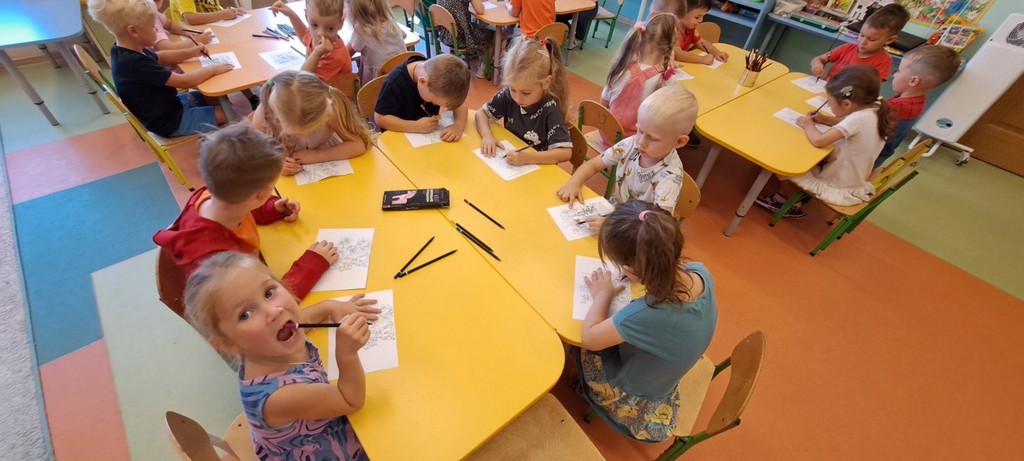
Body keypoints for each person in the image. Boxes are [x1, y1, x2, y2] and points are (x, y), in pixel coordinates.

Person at [184, 251, 380, 460]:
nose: (274, 311)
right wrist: (346, 354)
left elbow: (302, 318)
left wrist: (330, 306)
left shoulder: (265, 343)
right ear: (227, 343)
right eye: (245, 314)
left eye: (269, 293)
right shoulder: (282, 396)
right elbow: (350, 400)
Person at [153, 123, 338, 316]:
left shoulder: (215, 195)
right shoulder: (217, 262)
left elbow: (244, 206)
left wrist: (271, 208)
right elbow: (266, 303)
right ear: (260, 195)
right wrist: (312, 264)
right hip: (232, 309)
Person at [575, 200, 717, 442]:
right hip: (663, 375)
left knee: (577, 346)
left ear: (631, 270)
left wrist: (602, 295)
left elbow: (589, 338)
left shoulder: (646, 314)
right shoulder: (700, 271)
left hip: (633, 398)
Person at [756, 65, 895, 217]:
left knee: (782, 164)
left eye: (830, 101)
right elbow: (847, 124)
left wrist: (808, 125)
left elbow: (819, 141)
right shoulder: (874, 108)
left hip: (835, 183)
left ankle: (792, 205)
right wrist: (825, 119)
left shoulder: (859, 118)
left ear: (847, 104)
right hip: (852, 178)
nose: (828, 105)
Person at [557, 85, 697, 230]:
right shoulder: (631, 143)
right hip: (615, 213)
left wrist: (611, 227)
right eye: (640, 131)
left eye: (653, 138)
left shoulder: (669, 178)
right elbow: (592, 165)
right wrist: (573, 183)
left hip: (635, 230)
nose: (641, 142)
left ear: (679, 142)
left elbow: (656, 227)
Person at [87, 0, 231, 138]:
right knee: (230, 113)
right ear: (134, 31)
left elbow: (160, 57)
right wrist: (212, 69)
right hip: (170, 121)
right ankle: (221, 141)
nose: (157, 30)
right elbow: (183, 82)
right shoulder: (135, 63)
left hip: (169, 106)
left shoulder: (125, 50)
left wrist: (190, 52)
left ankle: (217, 130)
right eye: (153, 27)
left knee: (214, 97)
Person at [252, 71, 372, 176]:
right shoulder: (265, 115)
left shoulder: (329, 109)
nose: (301, 136)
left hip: (329, 158)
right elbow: (255, 156)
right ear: (279, 118)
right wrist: (276, 164)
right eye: (295, 132)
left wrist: (317, 156)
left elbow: (358, 145)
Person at [475, 37, 572, 165]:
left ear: (546, 82)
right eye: (513, 89)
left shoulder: (550, 108)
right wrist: (487, 136)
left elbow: (565, 153)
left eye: (526, 93)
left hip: (537, 167)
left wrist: (527, 158)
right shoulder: (508, 95)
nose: (517, 98)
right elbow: (481, 114)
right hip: (513, 160)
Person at [874, 45, 960, 168]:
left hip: (867, 157)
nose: (895, 75)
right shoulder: (919, 101)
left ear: (913, 81)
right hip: (879, 156)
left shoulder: (896, 106)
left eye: (898, 71)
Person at [602, 13, 682, 139]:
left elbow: (603, 104)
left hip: (606, 136)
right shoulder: (667, 79)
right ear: (671, 48)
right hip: (635, 144)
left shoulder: (621, 68)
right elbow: (664, 120)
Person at [374, 54, 471, 139]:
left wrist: (458, 126)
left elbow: (459, 104)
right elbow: (380, 119)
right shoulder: (394, 83)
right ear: (423, 82)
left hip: (423, 139)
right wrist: (415, 126)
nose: (434, 104)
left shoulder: (436, 75)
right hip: (398, 138)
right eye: (433, 102)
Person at [810, 3, 910, 82]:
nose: (862, 42)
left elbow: (871, 89)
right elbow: (819, 59)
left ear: (889, 40)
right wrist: (817, 64)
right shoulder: (848, 48)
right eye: (861, 35)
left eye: (871, 39)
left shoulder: (884, 61)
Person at [272, 0, 353, 82]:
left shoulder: (335, 57)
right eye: (314, 25)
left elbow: (303, 80)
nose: (321, 33)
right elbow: (304, 35)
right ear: (306, 16)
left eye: (330, 28)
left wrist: (317, 54)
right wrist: (290, 14)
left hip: (324, 88)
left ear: (341, 23)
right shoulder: (315, 37)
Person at [346, 0, 408, 84]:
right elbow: (404, 36)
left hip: (378, 82)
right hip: (402, 75)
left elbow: (347, 54)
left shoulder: (361, 30)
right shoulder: (391, 22)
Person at [438, 0, 504, 78]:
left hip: (445, 34)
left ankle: (481, 57)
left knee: (478, 25)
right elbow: (480, 10)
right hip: (462, 38)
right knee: (493, 35)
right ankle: (484, 68)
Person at [149, 0, 214, 66]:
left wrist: (188, 31)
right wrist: (197, 40)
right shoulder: (149, 20)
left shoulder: (155, 13)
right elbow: (168, 48)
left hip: (171, 61)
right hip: (163, 66)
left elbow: (170, 25)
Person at [672, 0, 728, 65]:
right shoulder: (673, 29)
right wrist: (702, 59)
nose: (701, 20)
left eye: (703, 16)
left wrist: (717, 53)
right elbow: (677, 54)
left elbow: (701, 42)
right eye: (697, 17)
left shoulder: (690, 28)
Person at [168, 0, 247, 25]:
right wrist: (222, 14)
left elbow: (214, 8)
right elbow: (190, 18)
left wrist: (231, 11)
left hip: (213, 30)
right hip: (191, 36)